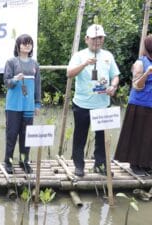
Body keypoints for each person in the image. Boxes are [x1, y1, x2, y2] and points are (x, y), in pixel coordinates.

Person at [67, 24, 120, 177]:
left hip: (102, 104)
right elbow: (69, 73)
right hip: (82, 104)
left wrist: (113, 86)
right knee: (80, 136)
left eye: (100, 38)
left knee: (102, 138)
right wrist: (84, 64)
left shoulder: (108, 56)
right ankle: (78, 166)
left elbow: (115, 75)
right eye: (94, 38)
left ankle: (101, 165)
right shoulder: (79, 55)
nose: (97, 41)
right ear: (86, 39)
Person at [114, 35, 152, 176]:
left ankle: (146, 163)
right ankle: (135, 164)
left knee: (149, 136)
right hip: (139, 104)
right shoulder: (140, 63)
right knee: (138, 135)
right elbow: (136, 85)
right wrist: (147, 74)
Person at [3, 34, 41, 174]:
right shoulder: (11, 62)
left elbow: (38, 86)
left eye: (30, 43)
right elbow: (7, 82)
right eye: (24, 43)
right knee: (11, 135)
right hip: (13, 106)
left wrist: (37, 104)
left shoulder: (35, 64)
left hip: (28, 106)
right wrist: (15, 79)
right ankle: (8, 162)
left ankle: (24, 161)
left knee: (26, 136)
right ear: (18, 46)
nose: (27, 45)